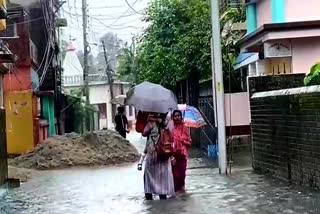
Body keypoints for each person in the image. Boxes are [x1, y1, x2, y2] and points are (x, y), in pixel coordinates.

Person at [139, 113, 175, 200]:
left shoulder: (151, 123)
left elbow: (144, 133)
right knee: (162, 180)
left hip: (153, 154)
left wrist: (149, 121)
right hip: (164, 154)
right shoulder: (168, 123)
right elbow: (172, 138)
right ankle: (163, 201)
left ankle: (150, 200)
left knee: (149, 178)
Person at [172, 110, 191, 193]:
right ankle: (175, 193)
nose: (176, 117)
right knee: (175, 176)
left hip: (182, 155)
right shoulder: (170, 128)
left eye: (178, 116)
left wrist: (183, 141)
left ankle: (182, 192)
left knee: (182, 175)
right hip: (173, 154)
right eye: (175, 116)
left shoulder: (185, 128)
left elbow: (189, 142)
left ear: (181, 117)